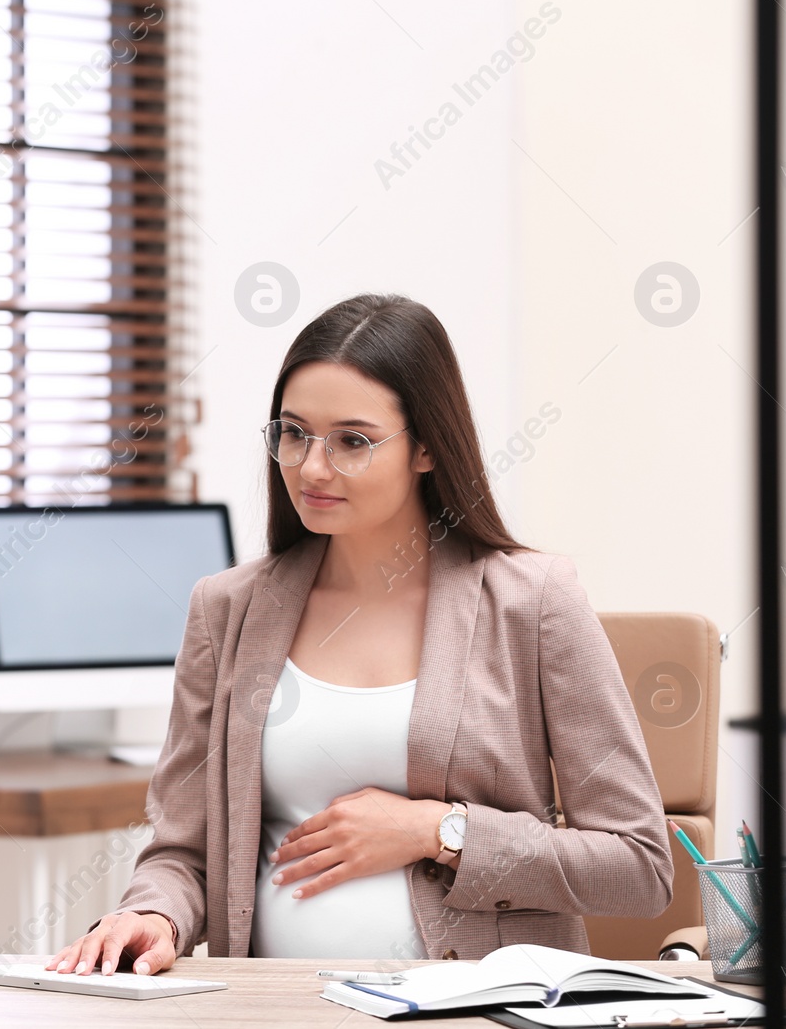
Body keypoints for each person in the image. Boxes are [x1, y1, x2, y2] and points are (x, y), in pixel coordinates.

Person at [47, 293, 673, 977]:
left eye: (352, 441)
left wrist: (437, 830)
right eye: (293, 432)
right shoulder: (225, 609)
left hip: (477, 1011)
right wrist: (153, 913)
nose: (312, 468)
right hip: (270, 1012)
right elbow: (182, 852)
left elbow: (637, 865)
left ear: (428, 447)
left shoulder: (533, 600)